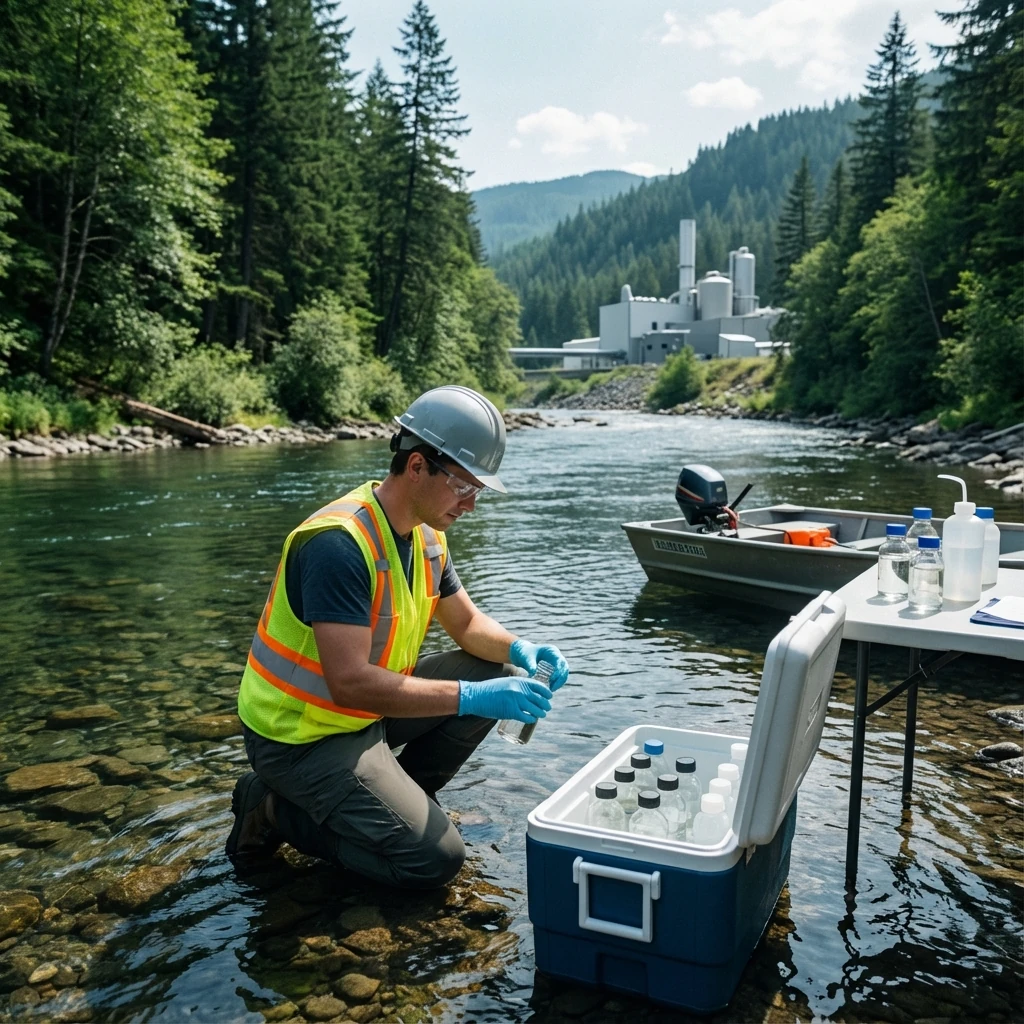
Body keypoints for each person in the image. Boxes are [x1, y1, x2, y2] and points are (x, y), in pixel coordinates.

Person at [226, 385, 569, 889]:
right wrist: (471, 698)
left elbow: (470, 627)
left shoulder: (429, 537)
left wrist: (523, 649)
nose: (471, 505)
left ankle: (398, 804)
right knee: (434, 861)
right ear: (415, 466)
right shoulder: (338, 545)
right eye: (463, 487)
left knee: (493, 669)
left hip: (363, 717)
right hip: (299, 737)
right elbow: (350, 684)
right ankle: (273, 808)